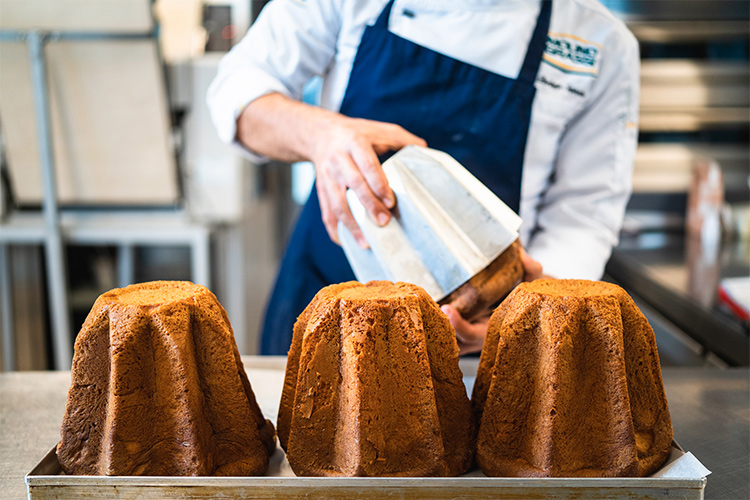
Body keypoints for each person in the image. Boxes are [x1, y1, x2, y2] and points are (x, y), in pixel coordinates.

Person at [207, 0, 640, 355]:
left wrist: (525, 320)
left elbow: (582, 218)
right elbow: (237, 94)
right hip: (328, 301)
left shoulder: (599, 41)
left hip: (477, 333)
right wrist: (323, 134)